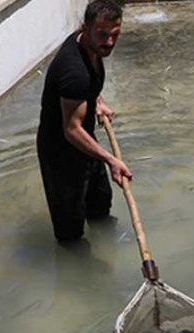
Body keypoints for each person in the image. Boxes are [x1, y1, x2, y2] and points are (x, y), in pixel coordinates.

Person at [37, 0, 132, 244]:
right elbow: (71, 130)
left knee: (100, 206)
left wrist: (96, 100)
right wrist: (111, 160)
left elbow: (86, 85)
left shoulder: (86, 45)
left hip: (85, 141)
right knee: (71, 233)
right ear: (85, 28)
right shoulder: (74, 72)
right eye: (102, 35)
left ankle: (106, 245)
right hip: (61, 153)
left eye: (115, 35)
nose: (109, 42)